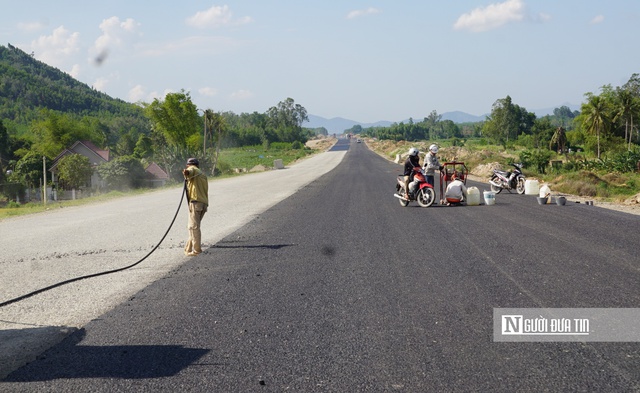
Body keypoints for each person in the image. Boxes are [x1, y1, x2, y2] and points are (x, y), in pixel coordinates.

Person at [183, 158, 209, 256]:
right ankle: (188, 248)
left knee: (193, 227)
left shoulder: (192, 169)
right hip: (203, 203)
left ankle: (197, 250)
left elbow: (189, 171)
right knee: (194, 226)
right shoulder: (202, 174)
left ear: (189, 165)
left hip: (195, 203)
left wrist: (186, 172)